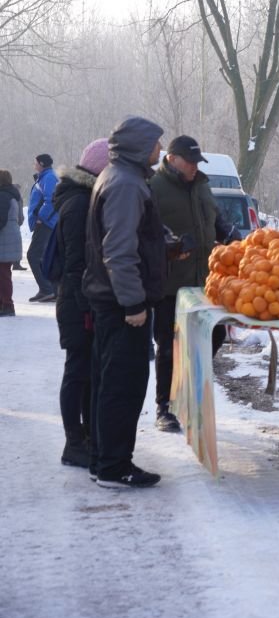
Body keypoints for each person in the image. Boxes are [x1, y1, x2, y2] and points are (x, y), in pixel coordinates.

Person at [83, 116, 166, 489]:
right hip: (121, 306)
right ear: (139, 145)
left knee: (109, 382)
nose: (160, 150)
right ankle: (114, 467)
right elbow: (118, 251)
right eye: (155, 143)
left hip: (111, 300)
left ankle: (104, 459)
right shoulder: (126, 184)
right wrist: (133, 304)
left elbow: (131, 238)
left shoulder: (121, 177)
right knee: (123, 385)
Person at [150, 135, 240, 432]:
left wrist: (227, 232)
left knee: (212, 336)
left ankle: (187, 395)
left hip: (206, 280)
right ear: (173, 158)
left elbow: (213, 216)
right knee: (168, 344)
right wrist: (169, 244)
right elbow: (146, 230)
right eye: (189, 162)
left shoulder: (201, 184)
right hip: (170, 281)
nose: (193, 167)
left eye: (196, 163)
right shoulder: (154, 187)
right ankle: (165, 407)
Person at [52, 139, 110, 468]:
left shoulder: (83, 198)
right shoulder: (78, 204)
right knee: (77, 371)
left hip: (81, 299)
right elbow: (75, 264)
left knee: (86, 371)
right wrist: (87, 306)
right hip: (77, 303)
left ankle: (85, 436)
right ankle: (74, 442)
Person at [26, 153, 59, 302]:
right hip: (44, 223)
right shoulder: (45, 176)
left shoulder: (49, 177)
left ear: (42, 163)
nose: (34, 165)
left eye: (35, 162)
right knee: (42, 257)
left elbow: (50, 200)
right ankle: (47, 289)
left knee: (33, 255)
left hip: (45, 223)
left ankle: (47, 289)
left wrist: (41, 218)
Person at [0, 170, 24, 316]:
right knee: (4, 273)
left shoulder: (3, 196)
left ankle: (7, 305)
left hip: (4, 240)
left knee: (3, 274)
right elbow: (20, 219)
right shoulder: (14, 195)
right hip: (11, 238)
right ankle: (4, 304)